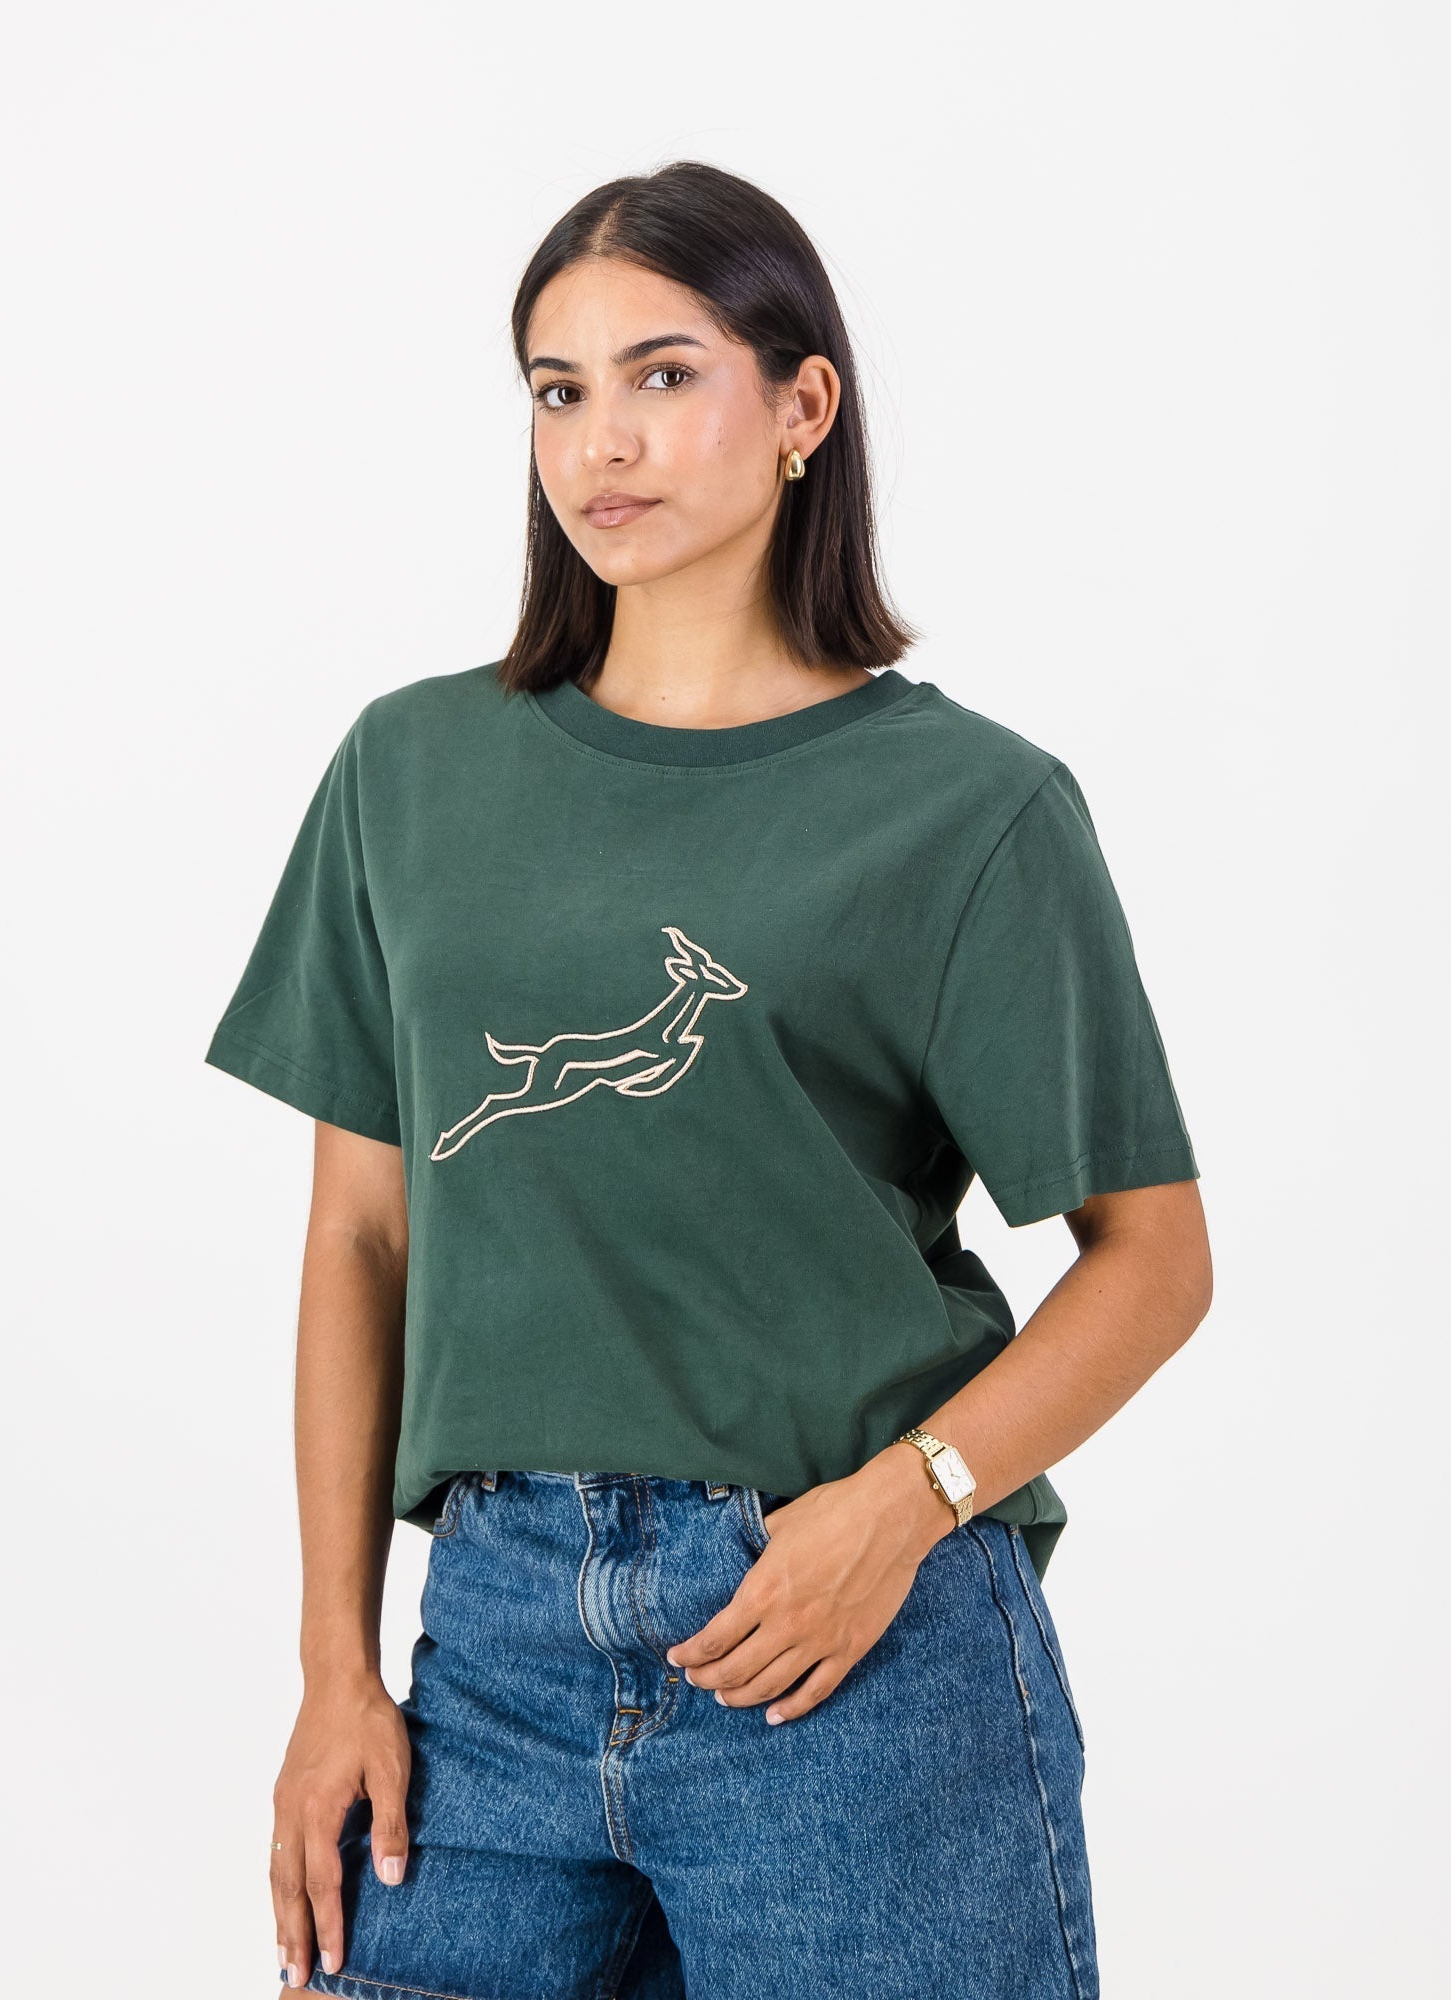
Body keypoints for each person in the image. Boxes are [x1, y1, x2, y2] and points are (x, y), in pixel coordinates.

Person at [204, 159, 1211, 2000]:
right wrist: (334, 1669)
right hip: (490, 1656)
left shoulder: (969, 810)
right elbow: (362, 1239)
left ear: (804, 404)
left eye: (664, 376)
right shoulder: (410, 772)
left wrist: (901, 1504)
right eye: (558, 389)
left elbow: (1155, 1260)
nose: (602, 441)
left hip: (844, 1640)